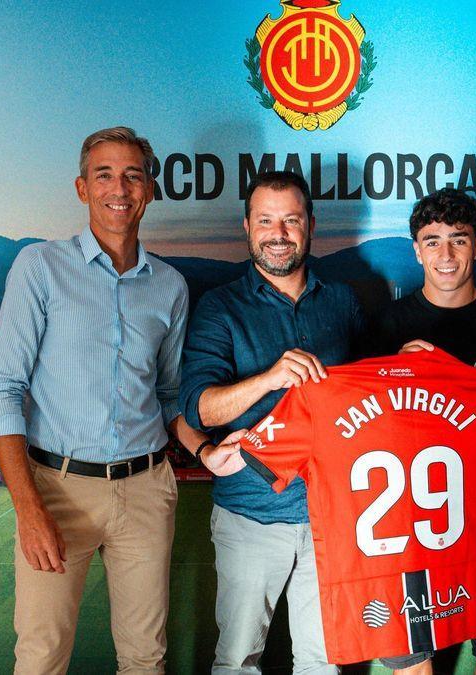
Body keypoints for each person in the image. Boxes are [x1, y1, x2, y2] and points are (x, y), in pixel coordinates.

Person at [0, 126, 205, 674]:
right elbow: (4, 388)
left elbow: (169, 394)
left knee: (144, 658)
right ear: (82, 188)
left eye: (133, 175)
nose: (119, 188)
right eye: (104, 174)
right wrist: (28, 508)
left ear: (150, 189)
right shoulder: (39, 267)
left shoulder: (170, 286)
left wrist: (204, 449)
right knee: (41, 657)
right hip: (58, 490)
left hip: (146, 490)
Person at [181, 170, 363, 674]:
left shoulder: (343, 300)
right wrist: (269, 379)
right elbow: (198, 406)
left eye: (290, 220)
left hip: (332, 516)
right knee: (239, 658)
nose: (278, 233)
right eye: (266, 220)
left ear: (310, 226)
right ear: (246, 226)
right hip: (250, 514)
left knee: (324, 661)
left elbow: (372, 397)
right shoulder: (220, 307)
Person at [373, 188, 476, 675]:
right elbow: (360, 431)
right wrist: (390, 375)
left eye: (458, 240)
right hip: (412, 531)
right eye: (433, 241)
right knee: (414, 667)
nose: (446, 255)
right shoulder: (387, 328)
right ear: (416, 249)